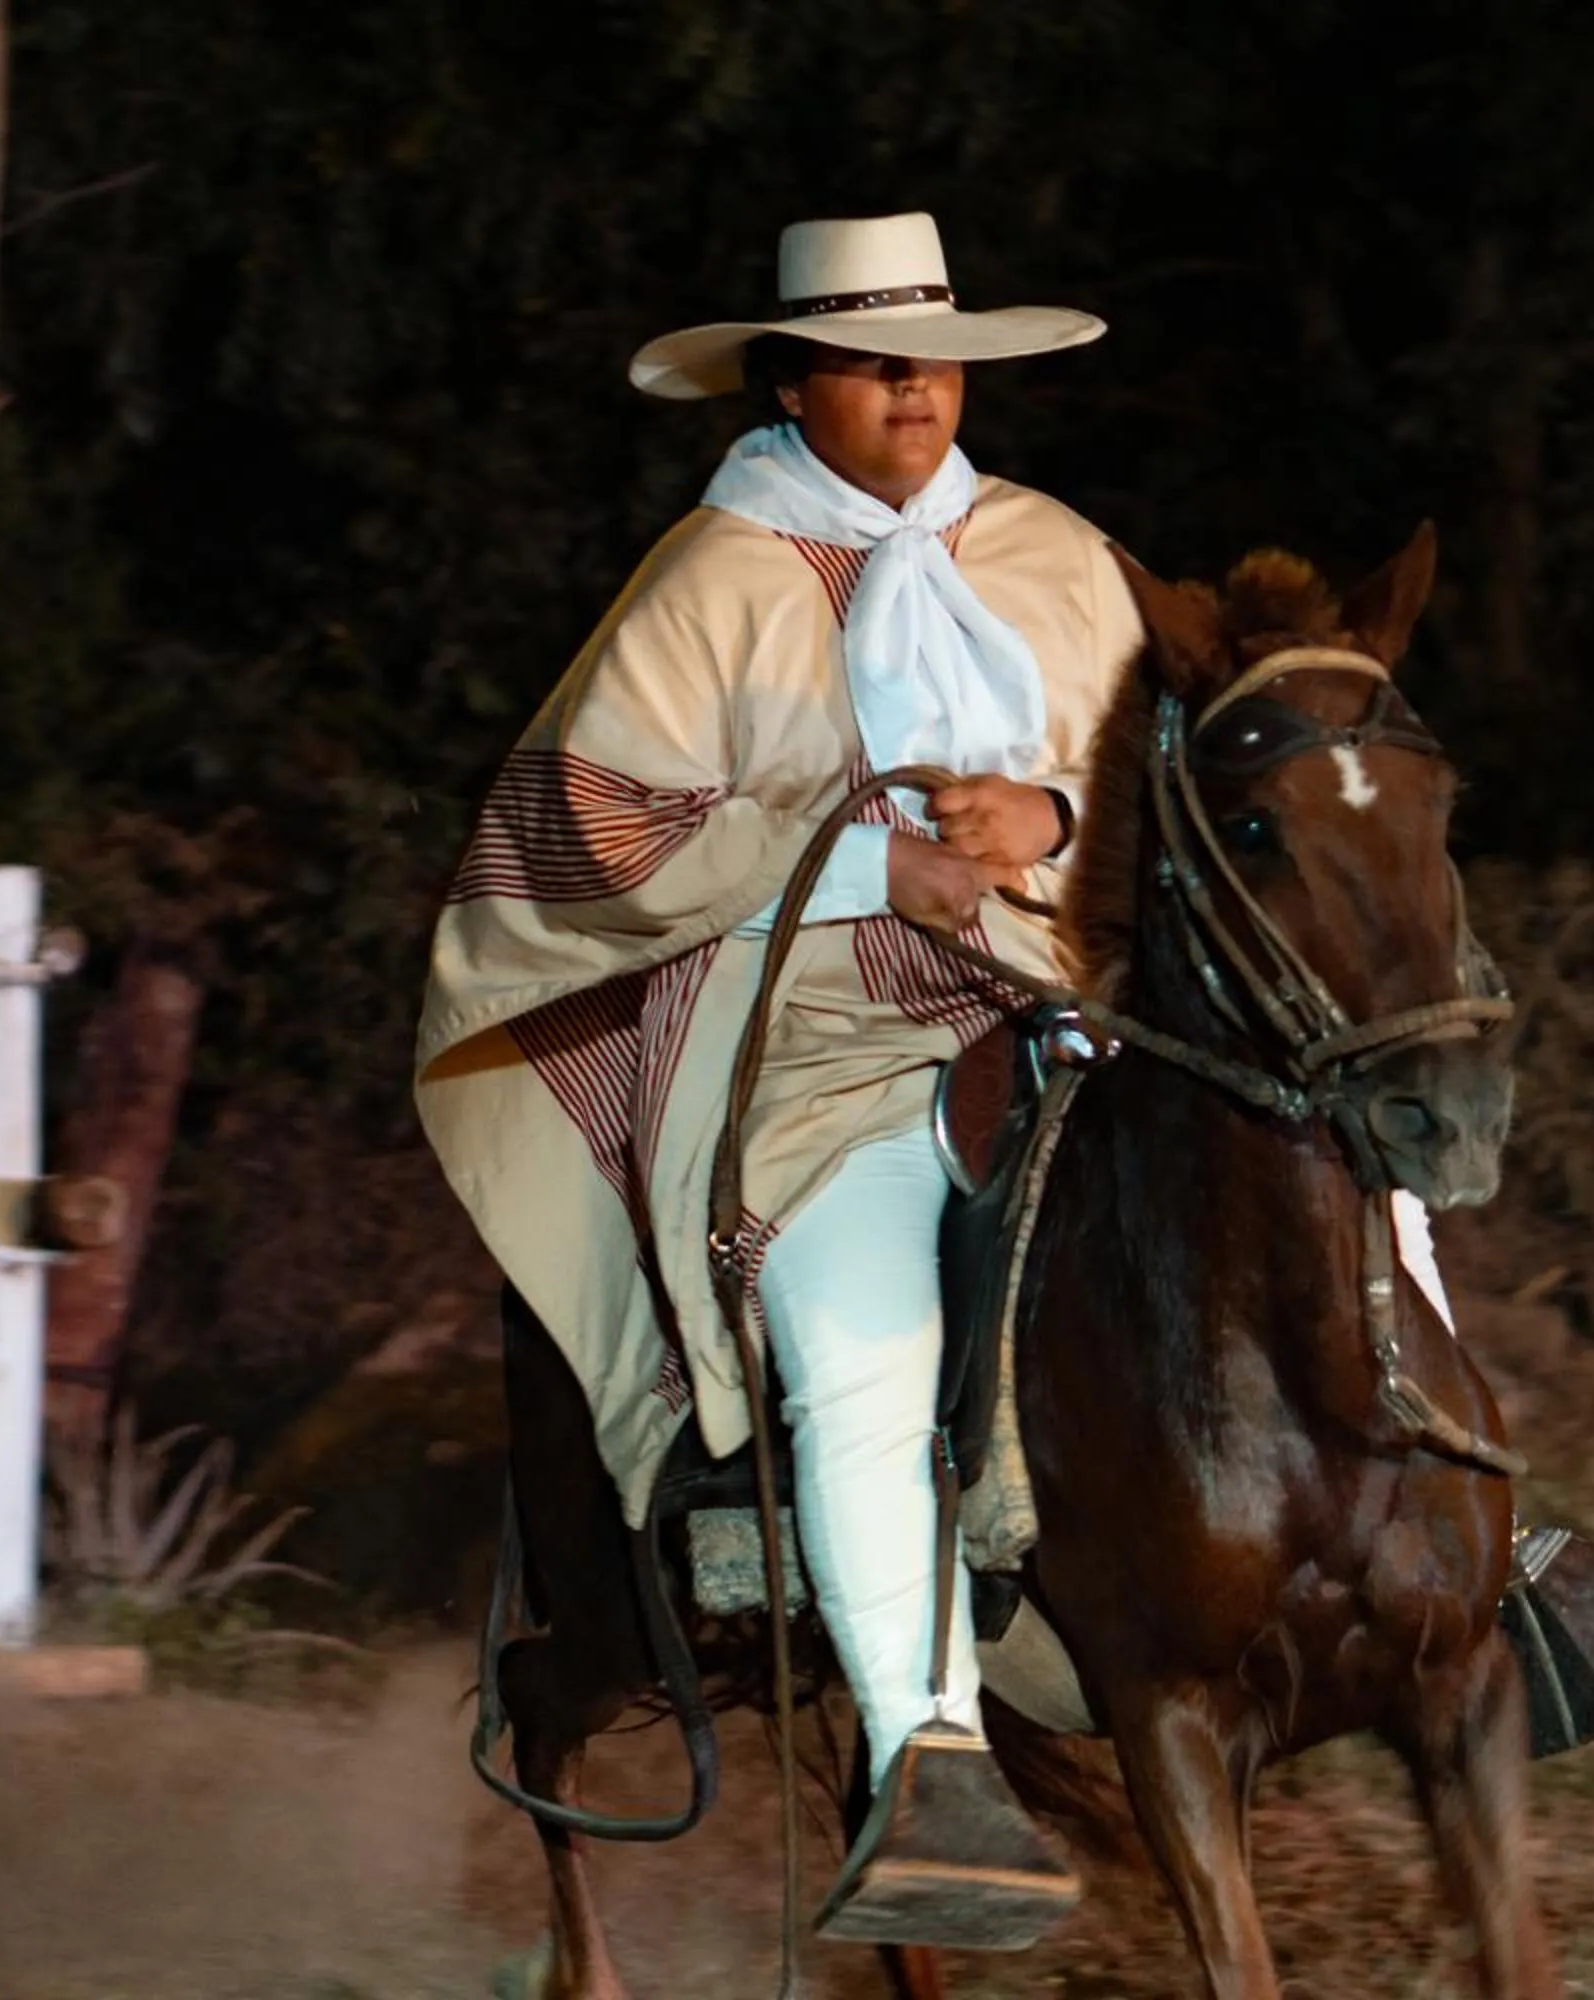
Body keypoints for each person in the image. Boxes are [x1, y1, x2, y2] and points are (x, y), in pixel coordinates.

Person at [414, 211, 1135, 1939]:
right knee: (862, 1346)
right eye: (877, 360)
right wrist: (861, 863)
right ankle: (930, 1757)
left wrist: (1055, 818)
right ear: (795, 384)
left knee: (1341, 1167)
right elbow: (572, 843)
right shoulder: (712, 583)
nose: (917, 388)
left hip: (1072, 1009)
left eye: (937, 357)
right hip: (822, 1052)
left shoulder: (1055, 556)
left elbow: (1164, 785)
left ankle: (1483, 1569)